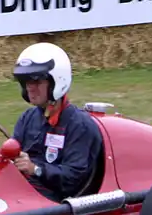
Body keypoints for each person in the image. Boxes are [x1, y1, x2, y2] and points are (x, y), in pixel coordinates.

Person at [10, 42, 103, 202]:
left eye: (37, 81)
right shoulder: (28, 118)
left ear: (57, 82)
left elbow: (73, 179)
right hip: (23, 194)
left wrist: (36, 169)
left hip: (54, 204)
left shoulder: (79, 125)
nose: (30, 88)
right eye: (27, 82)